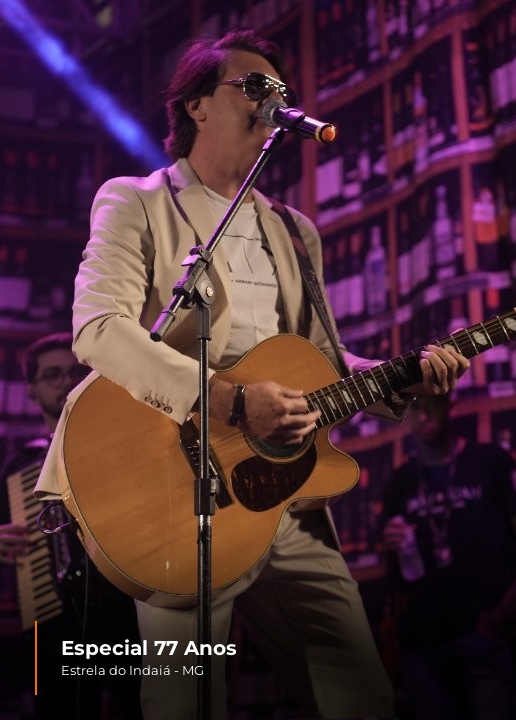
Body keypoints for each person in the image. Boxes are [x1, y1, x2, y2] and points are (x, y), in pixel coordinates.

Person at [34, 28, 471, 720]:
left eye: (282, 91)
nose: (275, 101)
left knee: (359, 691)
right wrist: (231, 402)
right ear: (197, 104)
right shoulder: (137, 201)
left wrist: (399, 378)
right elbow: (99, 328)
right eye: (255, 86)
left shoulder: (295, 231)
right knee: (183, 702)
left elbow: (323, 359)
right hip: (171, 485)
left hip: (284, 494)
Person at [0, 332, 142, 719]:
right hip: (57, 619)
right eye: (52, 375)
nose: (66, 381)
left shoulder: (130, 443)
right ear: (31, 390)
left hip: (132, 612)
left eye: (76, 371)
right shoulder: (23, 467)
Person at [381, 393, 516, 720]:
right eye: (414, 408)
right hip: (423, 646)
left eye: (432, 405)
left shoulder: (490, 461)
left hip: (482, 638)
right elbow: (398, 577)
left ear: (450, 405)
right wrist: (392, 546)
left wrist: (502, 615)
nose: (424, 416)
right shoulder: (401, 481)